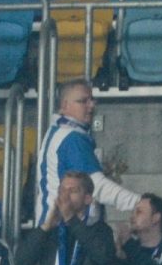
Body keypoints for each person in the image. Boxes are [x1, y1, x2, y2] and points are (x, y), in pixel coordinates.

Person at [34, 80, 141, 230]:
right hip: (62, 231)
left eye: (92, 100)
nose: (91, 105)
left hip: (55, 228)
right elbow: (96, 186)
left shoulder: (58, 132)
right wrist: (139, 203)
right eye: (83, 101)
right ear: (65, 106)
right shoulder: (71, 138)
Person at [16, 170, 123, 265]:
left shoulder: (99, 229)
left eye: (73, 191)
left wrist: (71, 219)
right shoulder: (49, 230)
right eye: (62, 190)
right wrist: (45, 227)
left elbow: (104, 257)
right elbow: (22, 262)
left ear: (87, 198)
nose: (65, 196)